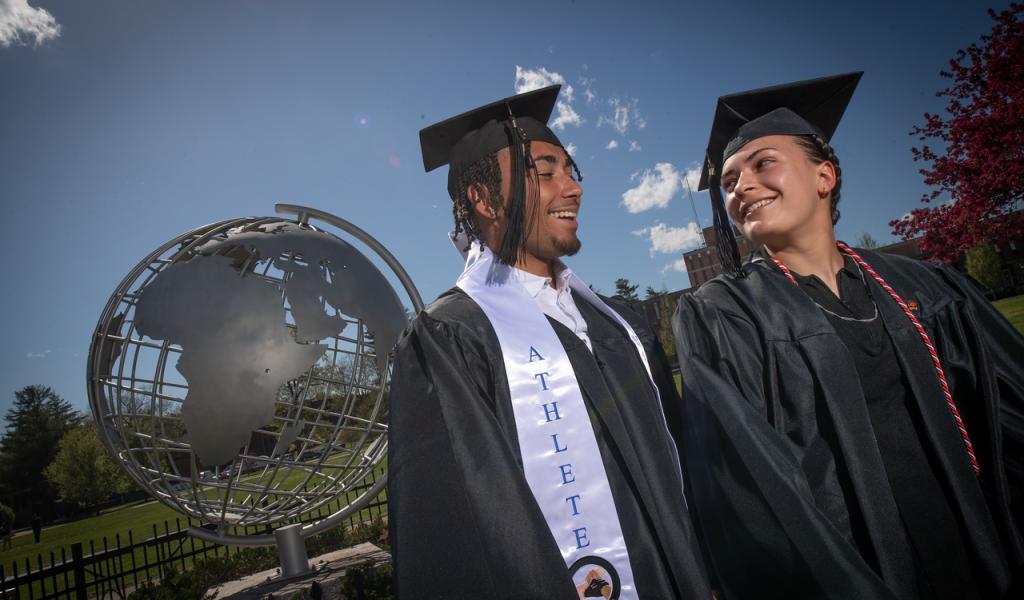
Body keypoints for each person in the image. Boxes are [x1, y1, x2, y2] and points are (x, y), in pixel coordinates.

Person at [672, 72, 1024, 599]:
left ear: (824, 176)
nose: (740, 186)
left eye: (762, 162)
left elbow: (1009, 414)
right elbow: (748, 492)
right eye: (728, 182)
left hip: (979, 551)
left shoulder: (927, 286)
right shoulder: (721, 316)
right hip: (848, 575)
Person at [388, 85, 711, 599]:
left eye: (570, 171)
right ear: (484, 199)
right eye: (545, 172)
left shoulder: (618, 325)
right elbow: (457, 538)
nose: (573, 188)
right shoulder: (451, 339)